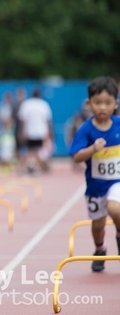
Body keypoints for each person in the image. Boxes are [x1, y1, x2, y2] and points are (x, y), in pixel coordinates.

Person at [69, 76, 120, 272]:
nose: (102, 107)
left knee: (115, 208)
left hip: (117, 182)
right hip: (96, 186)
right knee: (98, 225)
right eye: (97, 102)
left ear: (115, 104)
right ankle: (100, 249)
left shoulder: (118, 125)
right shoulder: (86, 129)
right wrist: (92, 149)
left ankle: (119, 234)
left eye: (107, 103)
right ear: (88, 104)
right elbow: (76, 157)